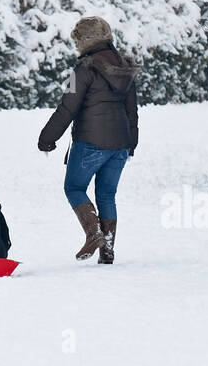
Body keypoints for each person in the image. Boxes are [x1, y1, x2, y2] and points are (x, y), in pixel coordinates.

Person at [37, 16, 138, 264]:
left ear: (85, 41)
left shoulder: (83, 69)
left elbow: (67, 107)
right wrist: (131, 143)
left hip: (90, 142)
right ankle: (108, 250)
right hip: (121, 145)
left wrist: (47, 138)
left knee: (74, 187)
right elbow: (131, 110)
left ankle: (94, 234)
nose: (76, 46)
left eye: (77, 41)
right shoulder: (125, 67)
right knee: (106, 195)